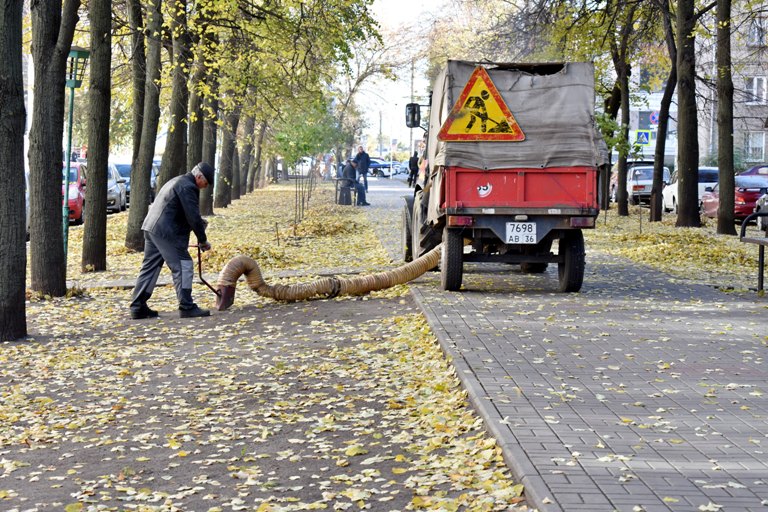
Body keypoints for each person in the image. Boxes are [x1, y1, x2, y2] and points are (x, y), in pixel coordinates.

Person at [129, 162, 215, 319]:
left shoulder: (177, 181)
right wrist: (203, 240)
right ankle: (187, 306)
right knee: (184, 265)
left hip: (151, 228)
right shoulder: (189, 187)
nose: (205, 187)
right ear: (198, 177)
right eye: (206, 183)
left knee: (150, 267)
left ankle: (137, 306)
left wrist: (198, 225)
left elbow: (177, 209)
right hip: (166, 232)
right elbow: (193, 216)